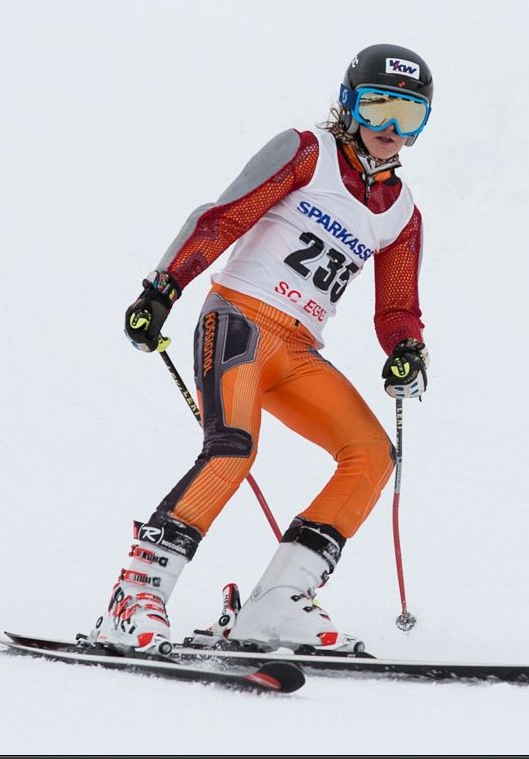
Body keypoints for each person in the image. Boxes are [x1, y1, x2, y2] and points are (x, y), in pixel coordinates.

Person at [87, 43, 434, 655]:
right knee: (232, 449)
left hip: (297, 351)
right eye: (376, 107)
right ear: (349, 104)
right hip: (238, 321)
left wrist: (407, 349)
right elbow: (223, 218)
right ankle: (134, 595)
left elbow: (397, 307)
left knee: (371, 454)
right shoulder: (307, 152)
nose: (389, 127)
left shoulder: (401, 213)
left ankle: (277, 602)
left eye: (408, 115)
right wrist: (163, 288)